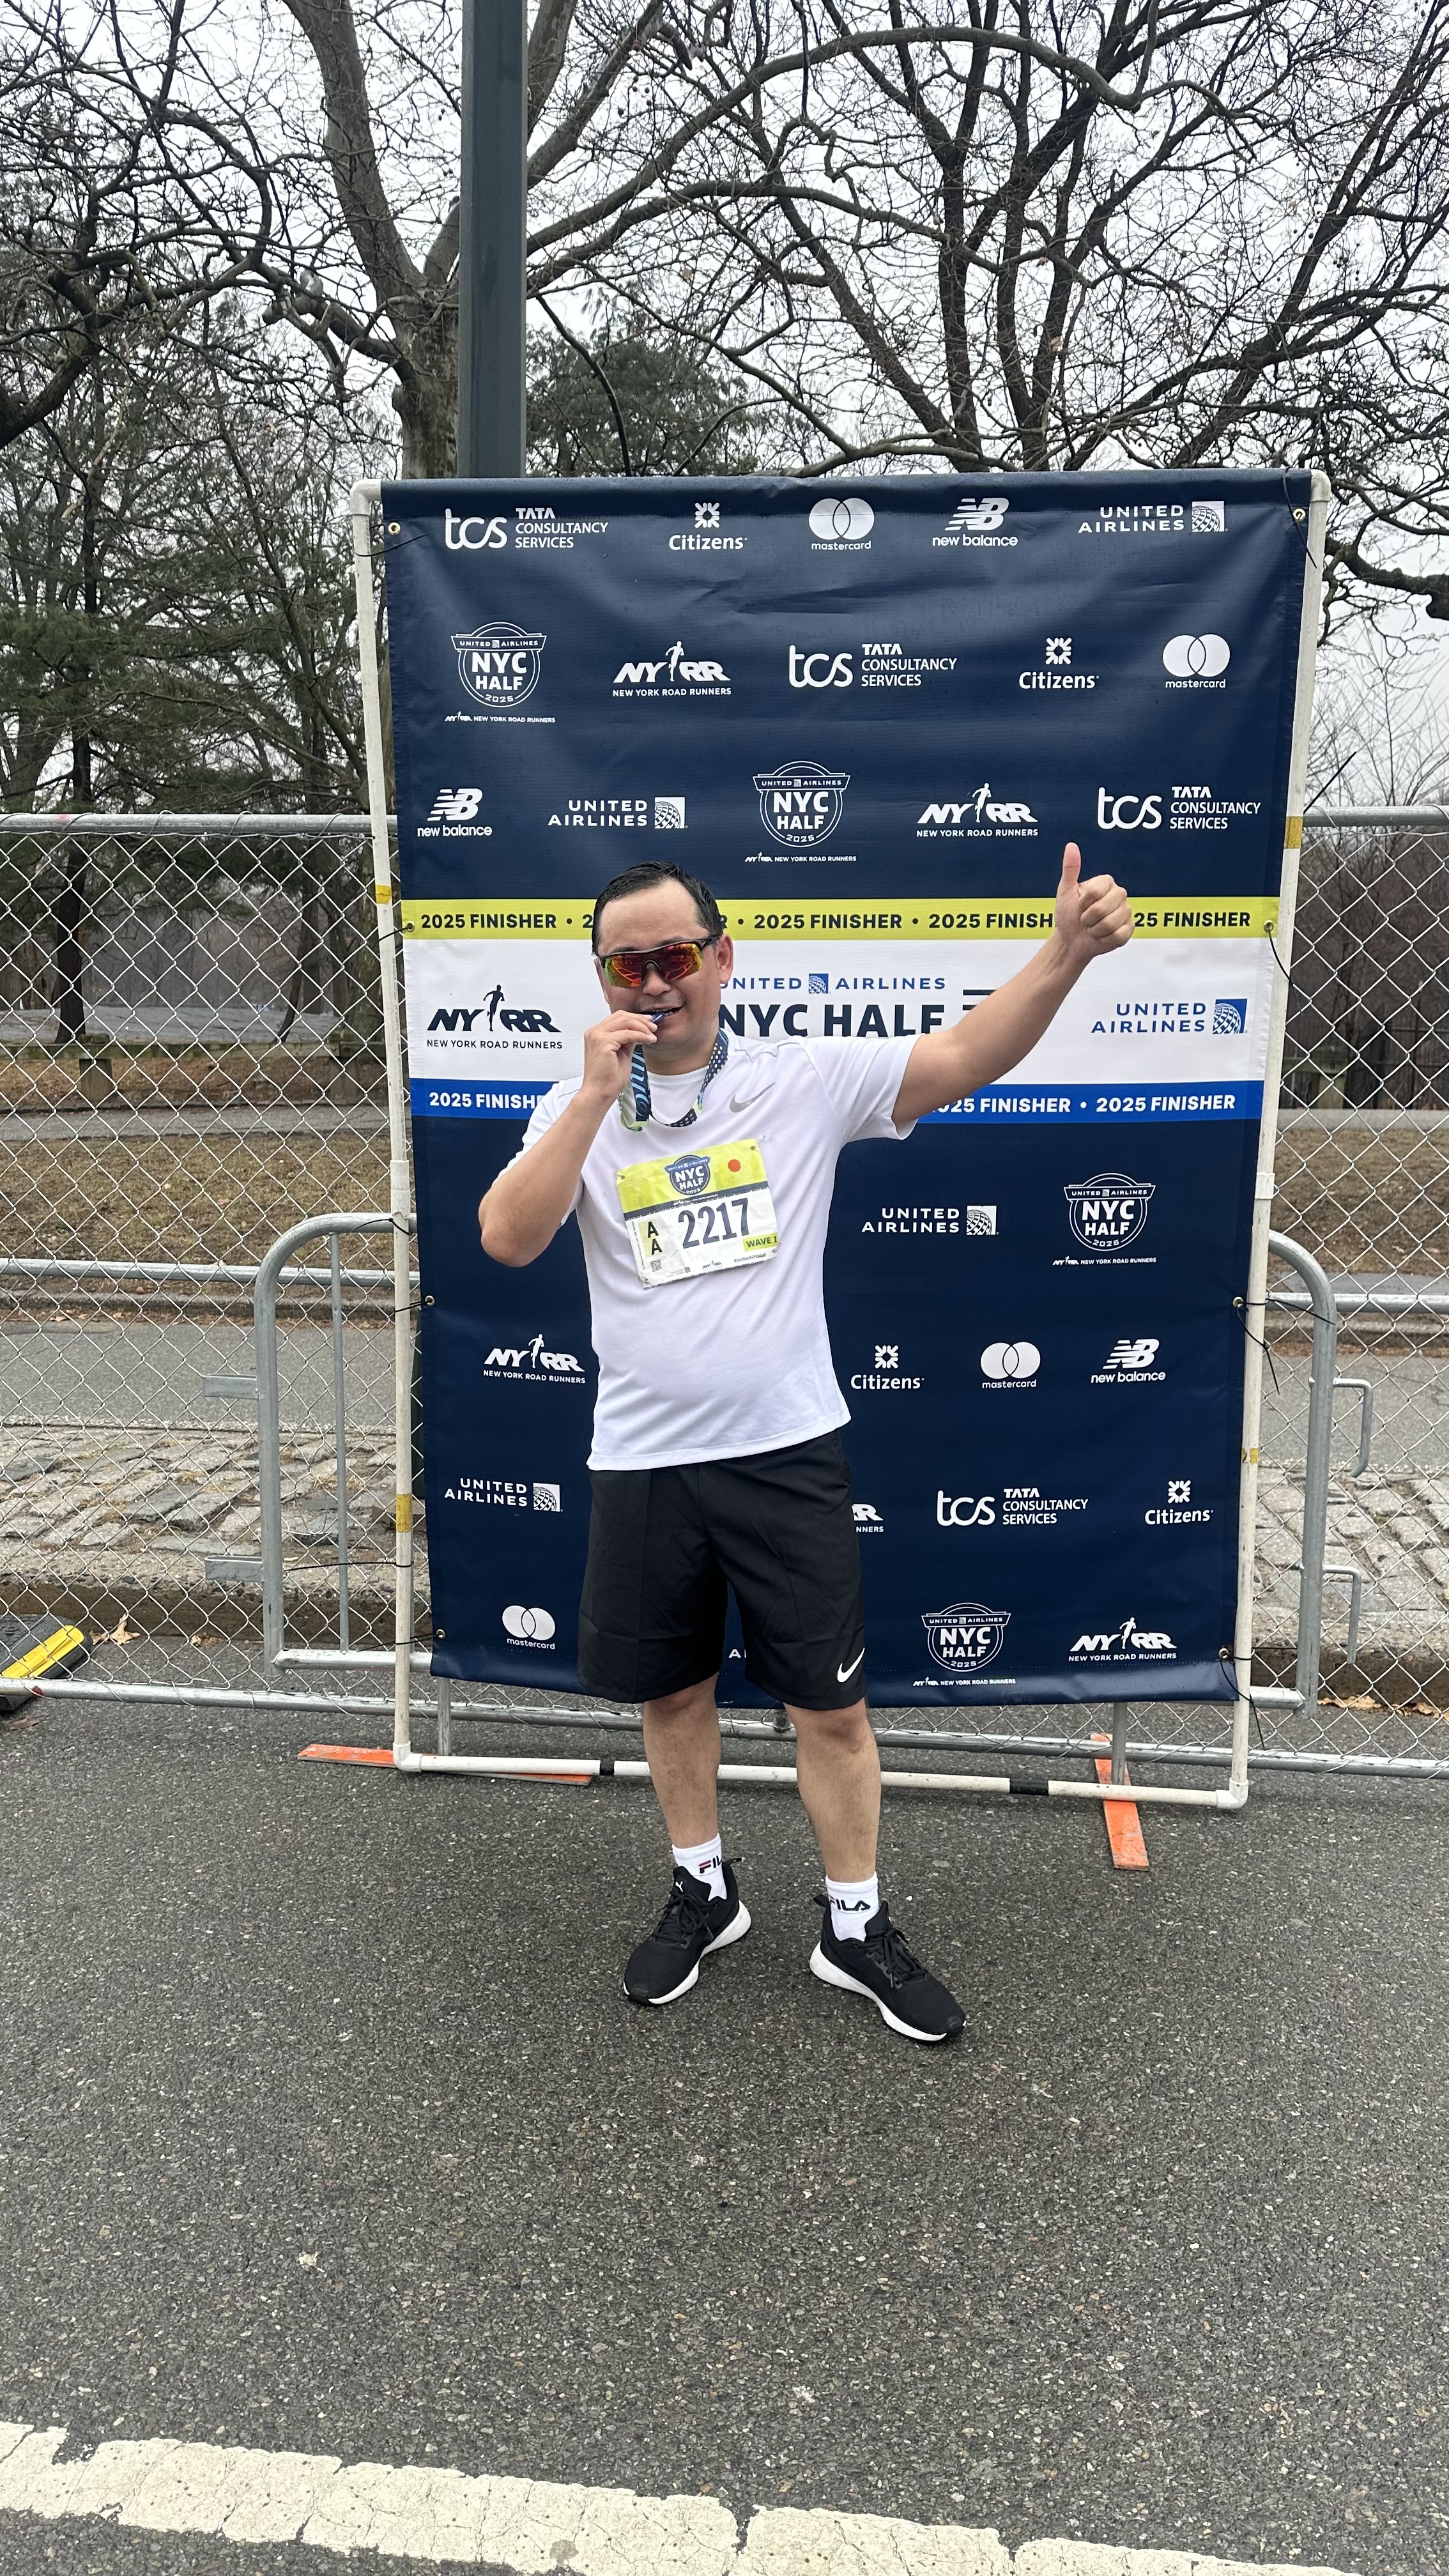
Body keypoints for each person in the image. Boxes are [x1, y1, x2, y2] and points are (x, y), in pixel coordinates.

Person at [479, 848, 1132, 2042]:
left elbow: (962, 1057)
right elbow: (508, 1238)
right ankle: (704, 1889)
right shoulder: (578, 1108)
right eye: (628, 964)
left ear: (723, 958)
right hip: (641, 1459)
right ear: (602, 977)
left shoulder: (803, 1079)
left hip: (785, 1451)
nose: (655, 981)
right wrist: (588, 1101)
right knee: (672, 1694)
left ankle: (853, 1924)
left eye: (677, 955)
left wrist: (1067, 956)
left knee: (831, 1712)